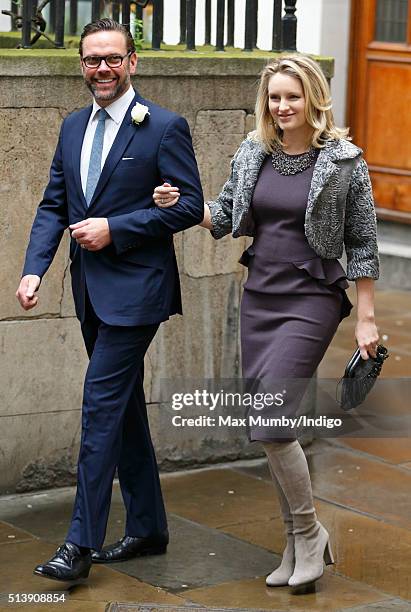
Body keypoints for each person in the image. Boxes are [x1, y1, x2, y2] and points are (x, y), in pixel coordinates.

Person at [153, 54, 379, 590]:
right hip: (261, 295)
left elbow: (364, 242)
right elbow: (227, 214)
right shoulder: (254, 150)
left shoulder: (345, 160)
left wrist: (366, 320)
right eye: (275, 98)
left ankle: (308, 534)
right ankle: (295, 539)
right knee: (266, 428)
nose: (282, 107)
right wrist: (184, 203)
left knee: (274, 421)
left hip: (311, 297)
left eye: (292, 97)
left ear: (313, 99)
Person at [15, 18, 204, 582]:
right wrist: (34, 270)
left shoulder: (164, 126)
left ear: (133, 62)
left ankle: (79, 546)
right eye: (92, 59)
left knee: (99, 408)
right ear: (81, 64)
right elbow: (54, 203)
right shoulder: (72, 126)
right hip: (88, 291)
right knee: (121, 409)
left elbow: (188, 206)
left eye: (112, 59)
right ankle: (147, 526)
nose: (102, 68)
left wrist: (115, 228)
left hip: (138, 291)